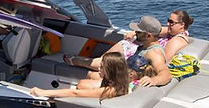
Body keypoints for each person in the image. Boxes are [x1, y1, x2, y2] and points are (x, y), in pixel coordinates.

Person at [66, 9, 194, 73]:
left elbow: (163, 59)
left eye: (171, 22)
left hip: (142, 58)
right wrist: (135, 32)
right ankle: (95, 63)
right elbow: (156, 30)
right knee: (116, 50)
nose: (168, 24)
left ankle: (79, 61)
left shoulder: (177, 40)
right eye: (168, 20)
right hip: (141, 49)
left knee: (106, 60)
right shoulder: (171, 31)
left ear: (182, 25)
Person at [74, 16, 173, 89]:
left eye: (138, 32)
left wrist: (153, 80)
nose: (135, 33)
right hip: (124, 76)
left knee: (82, 85)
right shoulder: (146, 45)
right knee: (91, 75)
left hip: (126, 84)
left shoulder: (154, 53)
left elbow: (166, 74)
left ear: (148, 36)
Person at [30, 52, 130, 99]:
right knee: (83, 82)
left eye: (102, 67)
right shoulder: (123, 82)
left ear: (111, 71)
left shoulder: (108, 91)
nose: (99, 68)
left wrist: (42, 92)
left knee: (81, 85)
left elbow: (74, 93)